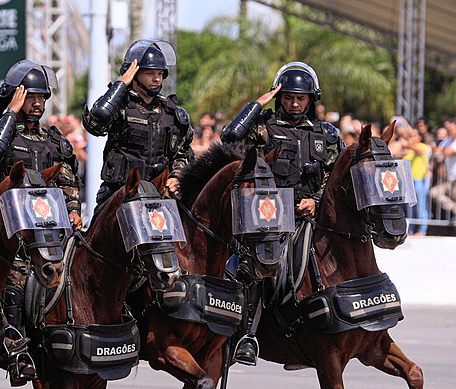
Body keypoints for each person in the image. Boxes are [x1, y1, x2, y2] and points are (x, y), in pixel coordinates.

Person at [221, 62, 343, 362]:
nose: (294, 103)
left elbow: (336, 175)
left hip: (311, 217)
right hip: (269, 218)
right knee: (253, 266)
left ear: (311, 100)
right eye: (288, 96)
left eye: (301, 98)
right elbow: (231, 138)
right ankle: (247, 335)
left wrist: (315, 199)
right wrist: (257, 104)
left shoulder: (325, 134)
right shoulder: (263, 127)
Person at [0, 60, 81, 385]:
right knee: (15, 280)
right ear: (15, 96)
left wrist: (74, 208)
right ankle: (14, 346)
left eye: (41, 98)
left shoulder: (53, 140)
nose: (37, 104)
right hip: (4, 230)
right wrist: (10, 112)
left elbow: (66, 180)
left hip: (44, 229)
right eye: (30, 97)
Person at [83, 39, 193, 208]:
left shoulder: (171, 113)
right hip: (119, 195)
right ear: (134, 74)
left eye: (160, 74)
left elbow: (183, 154)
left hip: (160, 195)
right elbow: (95, 125)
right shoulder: (120, 106)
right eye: (150, 73)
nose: (156, 79)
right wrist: (121, 85)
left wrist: (176, 176)